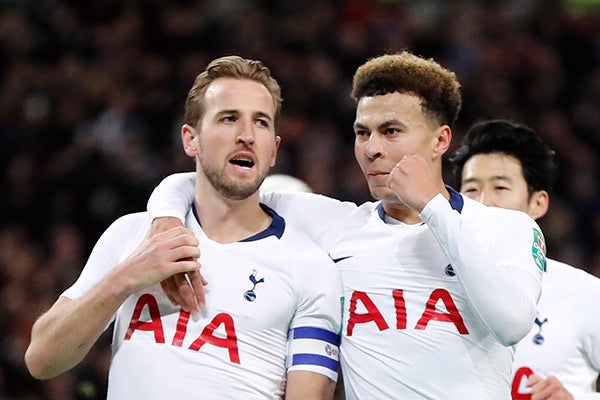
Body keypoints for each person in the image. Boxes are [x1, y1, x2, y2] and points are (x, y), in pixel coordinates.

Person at [147, 51, 545, 399]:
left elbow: (512, 324)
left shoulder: (506, 228)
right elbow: (211, 182)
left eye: (391, 131)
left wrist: (433, 207)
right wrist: (165, 219)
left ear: (441, 140)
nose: (372, 149)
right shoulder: (335, 225)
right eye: (362, 133)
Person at [24, 55, 343, 400]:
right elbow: (42, 360)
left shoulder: (311, 267)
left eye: (261, 123)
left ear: (274, 151)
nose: (247, 135)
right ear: (191, 140)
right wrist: (127, 277)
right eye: (229, 118)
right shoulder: (132, 234)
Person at [450, 119, 600, 400]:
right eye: (471, 190)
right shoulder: (428, 287)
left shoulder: (586, 294)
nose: (483, 203)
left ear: (538, 203)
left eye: (500, 188)